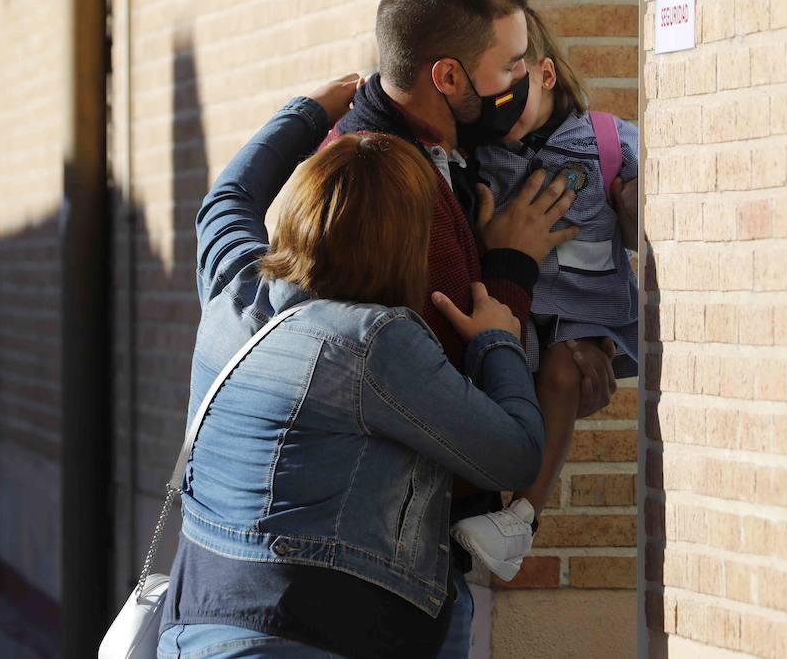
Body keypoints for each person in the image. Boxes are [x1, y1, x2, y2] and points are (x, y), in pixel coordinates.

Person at [156, 76, 548, 659]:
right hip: (312, 639)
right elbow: (514, 452)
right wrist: (497, 340)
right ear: (405, 245)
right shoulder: (375, 344)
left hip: (194, 630)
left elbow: (227, 200)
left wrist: (309, 111)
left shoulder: (232, 294)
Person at [324, 0, 619, 656]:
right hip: (391, 568)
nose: (526, 79)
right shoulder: (388, 185)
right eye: (510, 66)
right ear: (448, 77)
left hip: (401, 551)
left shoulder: (433, 156)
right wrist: (511, 268)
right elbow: (449, 377)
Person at [450, 9, 639, 581]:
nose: (499, 117)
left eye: (512, 95)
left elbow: (653, 212)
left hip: (586, 317)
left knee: (561, 377)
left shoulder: (607, 141)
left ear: (546, 76)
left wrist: (634, 202)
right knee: (504, 385)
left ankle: (521, 519)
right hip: (518, 309)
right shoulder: (482, 155)